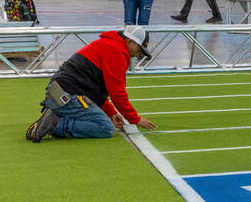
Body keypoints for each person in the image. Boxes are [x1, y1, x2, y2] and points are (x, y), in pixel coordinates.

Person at [25, 26, 158, 142]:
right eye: (139, 50)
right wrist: (135, 119)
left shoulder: (108, 44)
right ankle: (55, 124)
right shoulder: (117, 52)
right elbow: (117, 93)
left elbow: (93, 89)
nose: (137, 55)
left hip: (59, 93)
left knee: (99, 120)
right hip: (68, 96)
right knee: (105, 128)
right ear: (130, 41)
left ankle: (57, 114)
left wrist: (111, 112)